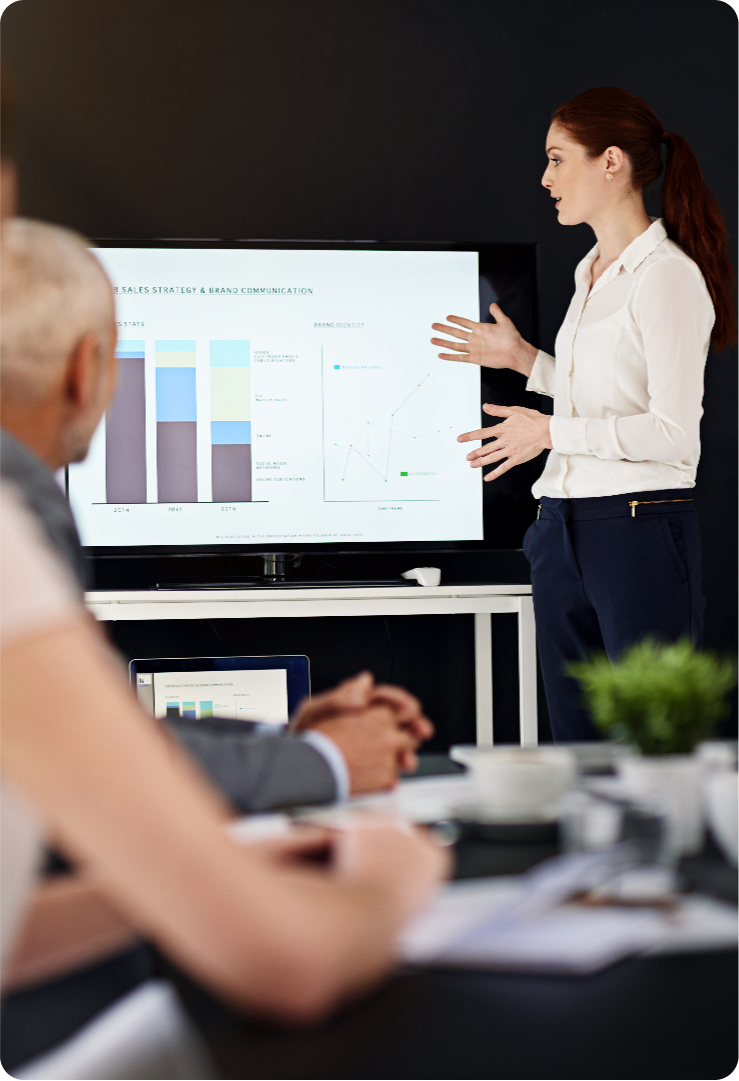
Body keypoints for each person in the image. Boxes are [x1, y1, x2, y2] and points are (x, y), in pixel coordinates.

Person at [0, 217, 432, 811]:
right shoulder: (15, 505)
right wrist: (326, 761)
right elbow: (91, 762)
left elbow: (78, 736)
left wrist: (288, 740)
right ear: (86, 368)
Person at [431, 86, 736, 741]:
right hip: (561, 530)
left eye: (557, 158)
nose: (545, 179)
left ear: (611, 162)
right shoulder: (590, 269)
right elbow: (606, 392)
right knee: (576, 743)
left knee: (650, 741)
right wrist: (525, 361)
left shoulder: (667, 277)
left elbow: (673, 435)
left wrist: (547, 430)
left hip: (637, 531)